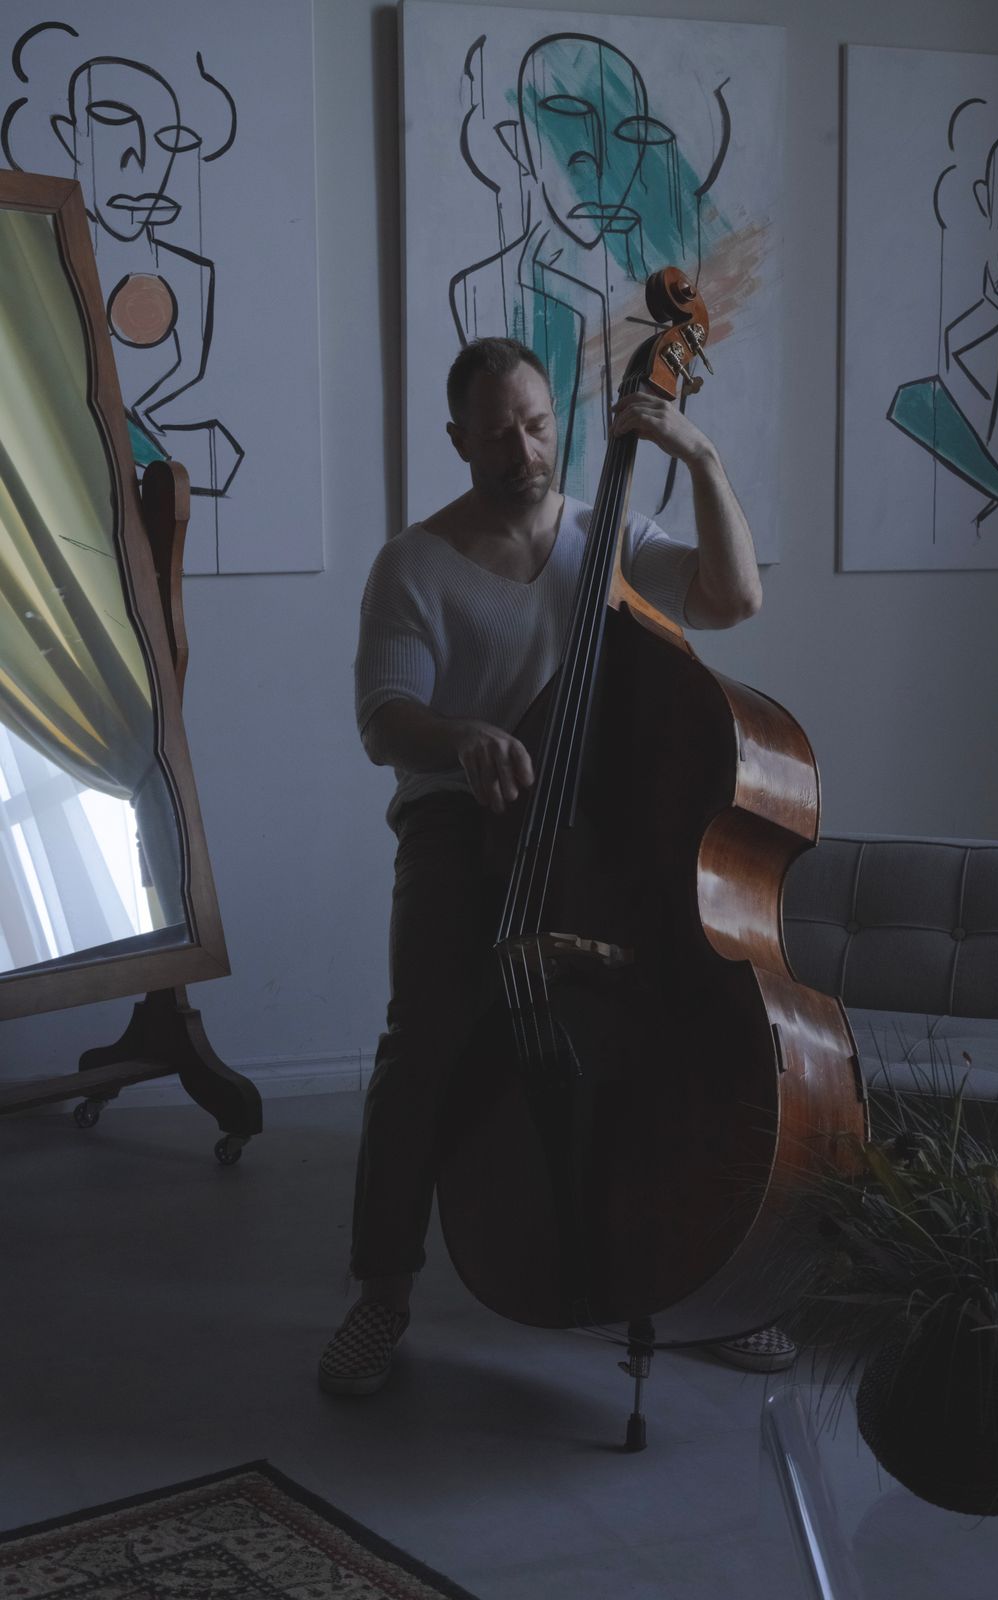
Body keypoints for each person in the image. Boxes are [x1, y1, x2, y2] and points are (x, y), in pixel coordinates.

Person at [319, 336, 794, 1396]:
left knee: (668, 1026)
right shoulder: (414, 563)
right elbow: (383, 718)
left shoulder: (606, 533)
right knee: (424, 1040)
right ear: (457, 439)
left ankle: (702, 1280)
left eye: (537, 426)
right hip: (462, 821)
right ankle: (381, 1292)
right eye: (497, 433)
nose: (524, 451)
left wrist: (700, 457)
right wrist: (460, 737)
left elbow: (730, 599)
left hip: (600, 824)